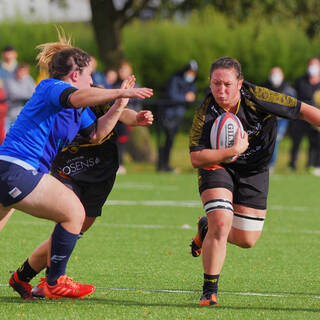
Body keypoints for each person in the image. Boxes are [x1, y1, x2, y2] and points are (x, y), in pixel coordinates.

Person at [0, 32, 153, 300]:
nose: (92, 81)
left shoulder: (75, 107)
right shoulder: (51, 87)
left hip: (13, 171)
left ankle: (42, 279)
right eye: (88, 76)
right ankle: (55, 280)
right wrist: (120, 90)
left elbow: (96, 133)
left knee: (72, 213)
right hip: (18, 169)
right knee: (74, 212)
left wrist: (120, 105)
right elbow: (77, 97)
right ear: (74, 75)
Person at [188, 56, 320, 306]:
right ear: (209, 82)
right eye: (216, 84)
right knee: (222, 218)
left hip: (255, 170)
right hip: (217, 165)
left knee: (247, 240)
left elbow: (302, 110)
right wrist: (229, 151)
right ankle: (209, 291)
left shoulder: (259, 97)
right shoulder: (206, 112)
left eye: (227, 84)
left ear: (240, 83)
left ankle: (205, 228)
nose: (221, 90)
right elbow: (196, 158)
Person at [157, 60, 197, 172]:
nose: (191, 75)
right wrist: (185, 97)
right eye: (190, 72)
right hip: (168, 115)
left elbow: (191, 95)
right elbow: (172, 95)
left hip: (177, 116)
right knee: (164, 141)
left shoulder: (191, 83)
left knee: (170, 141)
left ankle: (165, 165)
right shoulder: (175, 79)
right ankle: (161, 165)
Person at [288, 57, 320, 172]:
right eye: (311, 65)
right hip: (300, 115)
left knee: (315, 142)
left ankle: (313, 165)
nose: (313, 68)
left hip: (316, 116)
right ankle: (292, 165)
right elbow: (293, 98)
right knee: (296, 141)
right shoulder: (300, 80)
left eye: (315, 65)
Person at [263, 66, 296, 170]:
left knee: (275, 140)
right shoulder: (264, 88)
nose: (275, 76)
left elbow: (293, 106)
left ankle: (271, 164)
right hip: (267, 119)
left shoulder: (288, 89)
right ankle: (264, 163)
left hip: (282, 120)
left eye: (277, 74)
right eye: (273, 73)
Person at [4, 62, 36, 128]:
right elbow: (14, 95)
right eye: (20, 71)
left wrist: (26, 97)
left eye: (24, 71)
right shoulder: (9, 81)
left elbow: (34, 94)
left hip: (27, 113)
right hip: (13, 113)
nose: (22, 73)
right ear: (17, 71)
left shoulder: (29, 79)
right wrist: (27, 97)